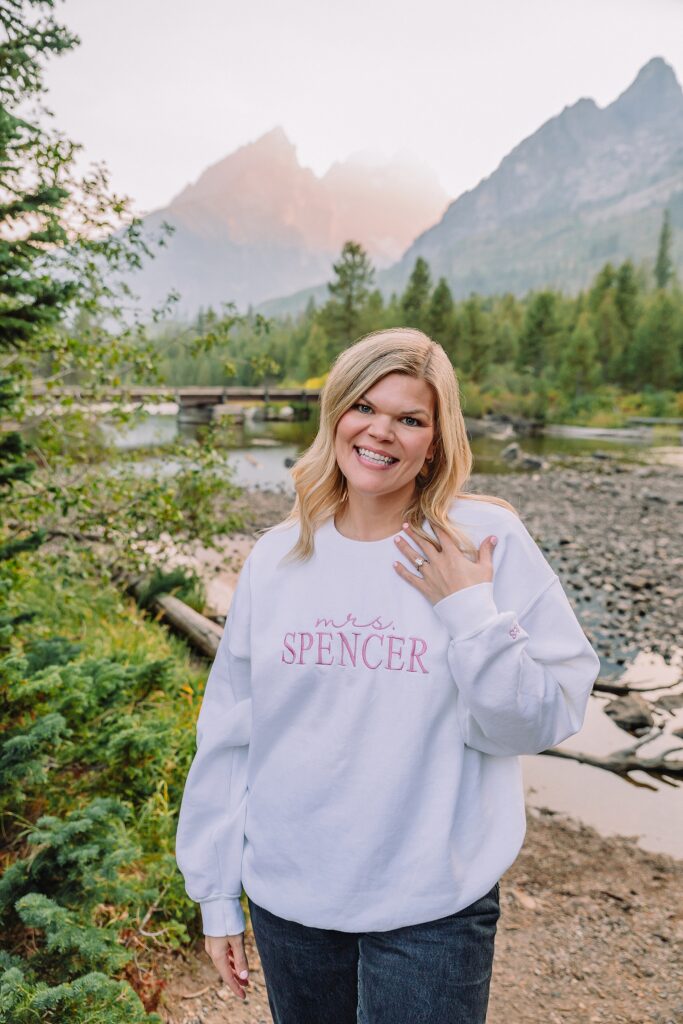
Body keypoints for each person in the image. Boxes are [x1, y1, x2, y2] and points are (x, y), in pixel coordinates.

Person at [175, 327, 601, 1023]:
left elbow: (542, 718)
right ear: (334, 413)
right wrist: (217, 895)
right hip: (290, 896)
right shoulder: (278, 557)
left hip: (431, 903)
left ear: (436, 439)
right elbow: (229, 735)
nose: (381, 432)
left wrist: (471, 612)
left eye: (410, 418)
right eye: (364, 407)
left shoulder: (481, 541)